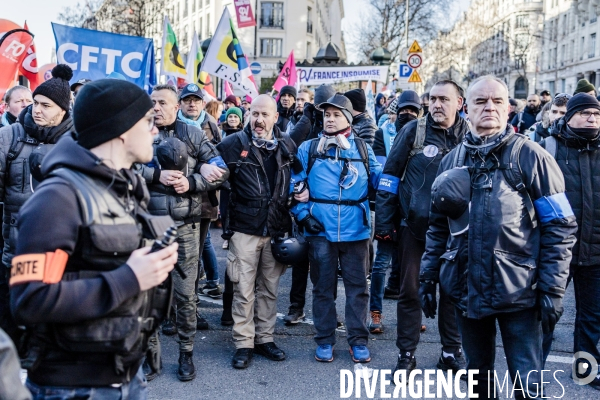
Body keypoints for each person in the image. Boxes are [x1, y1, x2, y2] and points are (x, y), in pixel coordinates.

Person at [10, 78, 179, 398]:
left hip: (126, 376)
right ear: (121, 128)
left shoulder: (125, 187)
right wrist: (129, 279)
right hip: (72, 387)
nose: (155, 130)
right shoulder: (58, 198)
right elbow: (30, 300)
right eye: (148, 122)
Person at [421, 75, 576, 398]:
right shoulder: (451, 160)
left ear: (508, 108)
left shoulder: (531, 156)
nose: (489, 107)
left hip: (520, 292)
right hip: (466, 290)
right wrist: (427, 275)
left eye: (496, 101)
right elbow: (438, 225)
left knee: (527, 385)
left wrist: (552, 287)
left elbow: (560, 227)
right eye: (480, 101)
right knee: (479, 381)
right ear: (467, 109)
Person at [136, 84, 229, 381]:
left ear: (176, 107)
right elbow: (120, 169)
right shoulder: (137, 133)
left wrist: (194, 182)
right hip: (147, 226)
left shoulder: (192, 133)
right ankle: (151, 355)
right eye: (153, 102)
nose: (157, 107)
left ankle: (186, 353)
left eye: (163, 102)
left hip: (185, 227)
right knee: (147, 295)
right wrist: (155, 174)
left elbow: (219, 169)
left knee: (187, 296)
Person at [375, 80, 468, 376]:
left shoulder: (470, 135)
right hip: (414, 230)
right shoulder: (413, 131)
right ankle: (406, 354)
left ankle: (451, 353)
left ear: (459, 103)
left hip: (457, 234)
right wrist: (385, 224)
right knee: (411, 292)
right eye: (433, 99)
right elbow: (389, 177)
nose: (437, 104)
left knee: (453, 293)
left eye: (444, 99)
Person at [292, 94, 382, 363]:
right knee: (322, 288)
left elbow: (380, 179)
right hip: (320, 231)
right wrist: (303, 215)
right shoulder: (307, 149)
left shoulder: (364, 149)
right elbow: (294, 184)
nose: (329, 120)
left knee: (358, 288)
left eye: (335, 115)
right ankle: (324, 339)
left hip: (357, 230)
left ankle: (358, 340)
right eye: (326, 115)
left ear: (348, 118)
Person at [217, 94, 298, 369]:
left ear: (276, 117)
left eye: (265, 114)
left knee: (270, 290)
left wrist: (302, 190)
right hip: (244, 229)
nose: (259, 120)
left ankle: (265, 339)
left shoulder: (287, 143)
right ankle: (244, 343)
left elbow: (298, 175)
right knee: (243, 289)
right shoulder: (233, 143)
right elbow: (211, 171)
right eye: (254, 114)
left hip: (275, 229)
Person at [0, 65, 74, 343]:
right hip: (16, 251)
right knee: (13, 327)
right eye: (35, 103)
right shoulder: (10, 136)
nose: (37, 109)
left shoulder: (78, 141)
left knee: (52, 328)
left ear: (63, 110)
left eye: (46, 105)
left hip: (61, 253)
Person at [539, 93, 600, 390]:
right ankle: (532, 368)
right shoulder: (548, 149)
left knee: (592, 316)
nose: (592, 118)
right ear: (569, 116)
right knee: (546, 313)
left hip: (596, 252)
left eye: (597, 114)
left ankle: (586, 370)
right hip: (556, 252)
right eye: (586, 113)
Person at [369, 90, 422, 333]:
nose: (407, 114)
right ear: (395, 111)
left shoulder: (425, 134)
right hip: (390, 206)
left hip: (414, 209)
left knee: (412, 267)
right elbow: (382, 173)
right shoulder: (383, 134)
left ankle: (412, 314)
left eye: (412, 110)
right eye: (403, 110)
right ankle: (376, 313)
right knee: (381, 264)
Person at [175, 84, 224, 324]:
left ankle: (191, 308)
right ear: (180, 103)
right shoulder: (170, 126)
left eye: (196, 100)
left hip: (203, 202)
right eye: (187, 100)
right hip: (172, 201)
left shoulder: (211, 126)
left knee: (193, 258)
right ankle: (170, 312)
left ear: (203, 103)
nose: (191, 104)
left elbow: (219, 167)